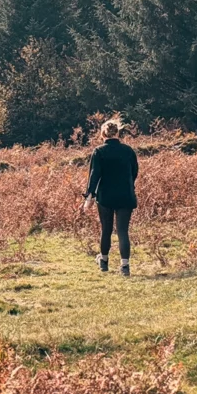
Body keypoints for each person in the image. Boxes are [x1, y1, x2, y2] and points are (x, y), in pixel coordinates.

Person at [81, 118, 138, 276]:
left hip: (105, 196)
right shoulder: (128, 151)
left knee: (106, 229)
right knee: (122, 231)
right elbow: (134, 172)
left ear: (102, 134)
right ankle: (125, 266)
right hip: (126, 195)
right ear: (117, 133)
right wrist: (128, 185)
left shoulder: (99, 152)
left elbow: (94, 176)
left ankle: (104, 262)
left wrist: (88, 197)